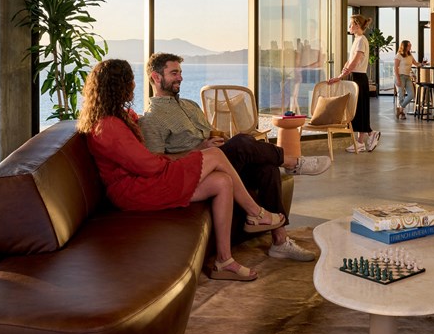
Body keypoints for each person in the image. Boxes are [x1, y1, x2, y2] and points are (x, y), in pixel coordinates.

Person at [77, 59, 283, 282]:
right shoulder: (107, 126)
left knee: (222, 181)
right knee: (214, 155)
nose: (134, 86)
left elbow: (144, 157)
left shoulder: (117, 117)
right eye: (130, 81)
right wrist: (183, 159)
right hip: (134, 190)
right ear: (117, 86)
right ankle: (256, 213)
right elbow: (147, 165)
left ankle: (224, 261)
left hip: (144, 180)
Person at [139, 52, 331, 262]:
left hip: (222, 161)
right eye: (174, 73)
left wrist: (221, 139)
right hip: (199, 171)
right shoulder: (152, 118)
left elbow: (211, 133)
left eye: (181, 72)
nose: (181, 78)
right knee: (241, 142)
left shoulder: (189, 105)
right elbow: (157, 161)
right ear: (156, 77)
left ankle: (280, 241)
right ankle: (294, 162)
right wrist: (199, 150)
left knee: (267, 168)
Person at [328, 14, 379, 152]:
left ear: (357, 25)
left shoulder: (362, 40)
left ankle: (364, 139)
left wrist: (340, 77)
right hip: (354, 77)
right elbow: (350, 61)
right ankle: (364, 139)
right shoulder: (357, 40)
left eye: (351, 24)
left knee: (359, 109)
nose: (349, 27)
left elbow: (355, 62)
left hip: (358, 78)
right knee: (355, 109)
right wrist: (343, 71)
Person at [393, 40, 422, 120]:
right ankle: (402, 114)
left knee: (411, 95)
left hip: (407, 77)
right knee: (401, 96)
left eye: (410, 45)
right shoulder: (399, 55)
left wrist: (422, 64)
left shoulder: (410, 55)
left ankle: (400, 108)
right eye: (409, 45)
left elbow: (416, 63)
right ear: (404, 46)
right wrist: (398, 79)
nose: (410, 46)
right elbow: (395, 68)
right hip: (400, 76)